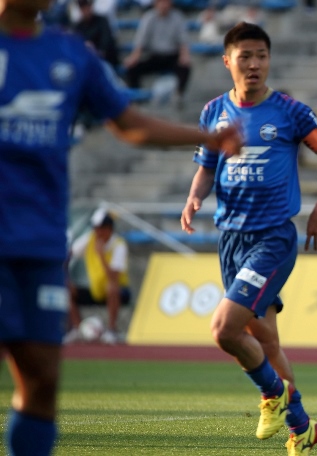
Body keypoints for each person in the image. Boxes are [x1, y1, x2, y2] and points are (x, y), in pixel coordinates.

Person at [0, 1, 241, 454]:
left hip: (40, 244)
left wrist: (207, 138)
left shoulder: (71, 54)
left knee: (42, 379)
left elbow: (129, 124)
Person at [179, 22, 317, 456]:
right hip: (230, 239)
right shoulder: (214, 111)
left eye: (261, 56)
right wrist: (194, 197)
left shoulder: (290, 111)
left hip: (272, 238)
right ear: (227, 61)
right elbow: (207, 166)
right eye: (245, 56)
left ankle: (273, 394)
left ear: (269, 60)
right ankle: (302, 426)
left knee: (225, 329)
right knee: (265, 341)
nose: (254, 64)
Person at [64, 210, 131, 345]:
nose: (97, 232)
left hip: (118, 291)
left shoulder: (119, 245)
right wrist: (65, 276)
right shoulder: (90, 239)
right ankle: (77, 329)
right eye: (95, 228)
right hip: (95, 289)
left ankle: (112, 330)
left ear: (109, 228)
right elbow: (68, 255)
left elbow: (113, 276)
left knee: (112, 286)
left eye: (100, 228)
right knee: (65, 288)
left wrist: (101, 256)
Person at [124, 0, 192, 106]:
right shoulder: (149, 17)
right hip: (154, 56)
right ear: (156, 3)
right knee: (132, 68)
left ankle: (179, 94)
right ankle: (136, 99)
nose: (164, 5)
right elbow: (141, 41)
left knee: (185, 67)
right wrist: (134, 57)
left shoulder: (177, 17)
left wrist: (185, 56)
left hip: (172, 56)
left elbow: (183, 41)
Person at [73, 0, 119, 68]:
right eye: (83, 8)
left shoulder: (102, 21)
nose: (86, 10)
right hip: (87, 61)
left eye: (87, 7)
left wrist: (95, 50)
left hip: (105, 60)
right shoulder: (78, 26)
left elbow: (106, 43)